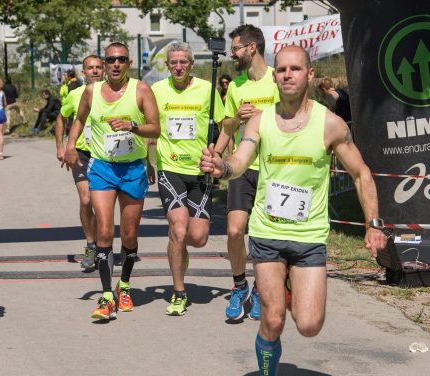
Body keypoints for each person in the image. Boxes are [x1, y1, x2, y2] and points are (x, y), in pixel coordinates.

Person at [200, 45, 387, 375]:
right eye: (282, 70)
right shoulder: (260, 121)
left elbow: (361, 174)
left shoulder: (330, 124)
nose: (287, 75)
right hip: (267, 233)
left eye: (295, 69)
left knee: (309, 324)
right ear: (274, 77)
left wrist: (372, 224)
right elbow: (241, 161)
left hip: (308, 237)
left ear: (310, 74)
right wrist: (222, 168)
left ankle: (287, 286)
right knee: (272, 319)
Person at [64, 42, 160, 321]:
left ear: (128, 63)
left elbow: (156, 127)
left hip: (132, 168)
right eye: (110, 60)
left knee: (129, 235)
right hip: (103, 167)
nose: (115, 64)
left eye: (121, 60)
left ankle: (125, 285)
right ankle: (107, 296)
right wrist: (71, 145)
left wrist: (133, 126)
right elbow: (78, 119)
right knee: (105, 232)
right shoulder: (91, 91)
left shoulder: (141, 89)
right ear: (104, 64)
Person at [151, 42, 225, 316]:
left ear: (192, 64)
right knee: (179, 230)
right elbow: (150, 126)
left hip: (200, 172)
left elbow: (226, 123)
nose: (178, 67)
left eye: (183, 62)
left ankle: (180, 249)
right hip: (169, 169)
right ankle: (179, 291)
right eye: (173, 63)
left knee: (198, 237)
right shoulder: (157, 91)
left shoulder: (207, 89)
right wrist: (148, 160)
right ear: (167, 65)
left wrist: (216, 153)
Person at [213, 24, 280, 321]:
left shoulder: (279, 79)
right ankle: (239, 286)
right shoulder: (236, 86)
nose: (232, 53)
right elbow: (226, 128)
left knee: (266, 236)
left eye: (236, 48)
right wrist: (216, 155)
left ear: (252, 48)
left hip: (275, 169)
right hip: (243, 167)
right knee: (235, 230)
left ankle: (259, 288)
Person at [55, 55, 104, 271]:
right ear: (82, 72)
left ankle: (106, 245)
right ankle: (91, 246)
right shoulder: (74, 95)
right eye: (90, 68)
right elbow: (61, 118)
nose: (94, 71)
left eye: (98, 68)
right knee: (86, 200)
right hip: (82, 154)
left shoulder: (113, 95)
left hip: (106, 155)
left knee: (102, 203)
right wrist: (62, 146)